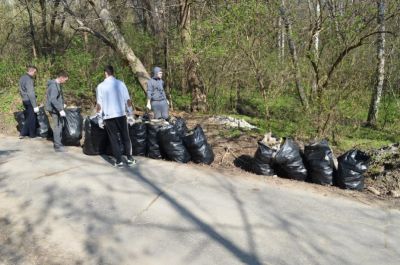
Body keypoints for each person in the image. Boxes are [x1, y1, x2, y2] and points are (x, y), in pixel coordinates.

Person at [96, 65, 136, 167]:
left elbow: (99, 104)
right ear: (113, 72)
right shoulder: (120, 84)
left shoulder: (100, 86)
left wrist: (100, 119)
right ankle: (130, 159)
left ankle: (119, 161)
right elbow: (127, 100)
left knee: (113, 139)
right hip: (121, 115)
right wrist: (130, 114)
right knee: (125, 137)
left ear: (105, 73)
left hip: (109, 117)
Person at [45, 71, 69, 152]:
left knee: (59, 125)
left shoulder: (57, 84)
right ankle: (57, 146)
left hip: (56, 108)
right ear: (61, 77)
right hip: (54, 109)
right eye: (65, 80)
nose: (65, 82)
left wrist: (63, 104)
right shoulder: (54, 86)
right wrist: (60, 109)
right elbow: (53, 100)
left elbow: (58, 97)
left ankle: (58, 143)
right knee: (57, 126)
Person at [19, 65, 39, 139]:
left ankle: (23, 133)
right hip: (29, 100)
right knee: (32, 118)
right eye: (35, 72)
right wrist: (35, 105)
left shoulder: (22, 77)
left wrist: (23, 98)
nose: (35, 74)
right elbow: (31, 93)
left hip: (24, 100)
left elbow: (21, 90)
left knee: (29, 117)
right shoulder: (29, 79)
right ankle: (32, 135)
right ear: (32, 71)